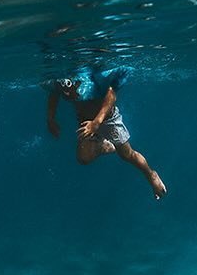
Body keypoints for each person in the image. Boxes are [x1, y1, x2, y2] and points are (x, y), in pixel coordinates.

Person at [45, 67, 166, 199]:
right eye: (65, 92)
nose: (67, 95)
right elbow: (54, 94)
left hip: (109, 119)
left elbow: (111, 94)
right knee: (83, 158)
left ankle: (151, 174)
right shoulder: (60, 79)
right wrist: (51, 118)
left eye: (69, 90)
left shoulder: (92, 77)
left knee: (127, 154)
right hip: (86, 121)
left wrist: (96, 123)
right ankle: (103, 145)